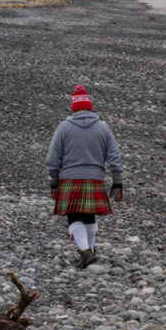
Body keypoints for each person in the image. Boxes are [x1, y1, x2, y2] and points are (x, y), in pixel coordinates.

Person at [45, 84, 123, 268]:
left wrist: (53, 183)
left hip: (69, 180)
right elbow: (114, 156)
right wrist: (118, 182)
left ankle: (86, 253)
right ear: (89, 106)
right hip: (95, 179)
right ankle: (89, 252)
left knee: (74, 217)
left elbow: (52, 158)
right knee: (89, 217)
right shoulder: (103, 128)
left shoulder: (64, 127)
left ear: (74, 107)